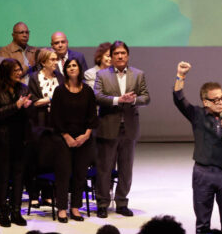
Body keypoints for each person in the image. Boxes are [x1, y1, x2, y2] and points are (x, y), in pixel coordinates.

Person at [173, 61, 222, 234]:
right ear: (205, 102)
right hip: (203, 175)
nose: (220, 102)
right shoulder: (197, 114)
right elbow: (178, 98)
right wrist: (181, 76)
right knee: (203, 224)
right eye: (215, 100)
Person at [93, 40, 149, 218]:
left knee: (126, 168)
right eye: (116, 53)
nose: (119, 56)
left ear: (128, 55)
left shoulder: (138, 74)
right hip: (108, 126)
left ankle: (122, 202)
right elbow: (97, 96)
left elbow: (146, 97)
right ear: (111, 56)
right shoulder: (102, 74)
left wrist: (133, 100)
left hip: (129, 127)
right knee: (105, 168)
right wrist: (118, 100)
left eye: (123, 53)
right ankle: (102, 203)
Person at [50, 58, 99, 224]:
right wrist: (66, 136)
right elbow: (55, 117)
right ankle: (62, 208)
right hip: (63, 138)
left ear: (79, 69)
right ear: (65, 70)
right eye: (69, 66)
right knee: (63, 174)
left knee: (80, 174)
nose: (72, 68)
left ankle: (76, 207)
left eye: (74, 65)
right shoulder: (59, 91)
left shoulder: (87, 91)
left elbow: (93, 115)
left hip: (84, 138)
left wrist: (86, 135)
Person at [0, 59, 31, 227]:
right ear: (6, 73)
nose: (19, 73)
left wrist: (28, 107)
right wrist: (16, 106)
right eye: (15, 71)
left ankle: (16, 211)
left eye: (20, 70)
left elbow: (29, 115)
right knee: (4, 177)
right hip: (2, 139)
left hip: (20, 138)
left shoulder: (23, 88)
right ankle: (3, 212)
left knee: (19, 176)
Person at [26, 47, 60, 208]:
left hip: (55, 123)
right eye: (52, 59)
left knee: (51, 159)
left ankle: (48, 194)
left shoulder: (60, 77)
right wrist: (52, 99)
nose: (56, 62)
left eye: (56, 59)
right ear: (43, 62)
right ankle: (34, 194)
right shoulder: (34, 78)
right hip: (38, 124)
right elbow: (33, 101)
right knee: (36, 159)